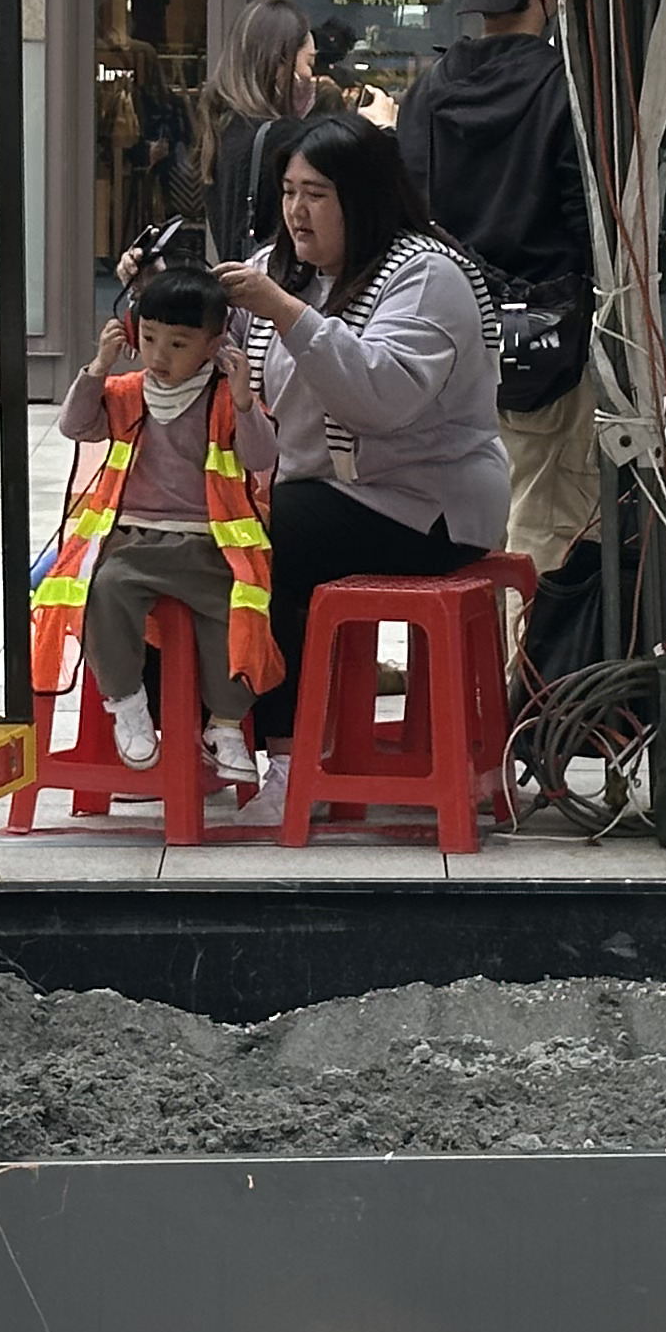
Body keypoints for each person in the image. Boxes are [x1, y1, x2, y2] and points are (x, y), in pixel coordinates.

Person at [212, 113, 505, 818]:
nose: (296, 211)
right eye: (289, 192)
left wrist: (288, 314)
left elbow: (380, 399)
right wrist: (164, 297)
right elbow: (217, 344)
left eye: (316, 194)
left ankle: (292, 762)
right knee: (182, 536)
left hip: (428, 507)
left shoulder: (426, 274)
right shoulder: (281, 269)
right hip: (320, 490)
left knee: (272, 543)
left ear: (364, 196)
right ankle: (198, 732)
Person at [32, 248, 282, 793]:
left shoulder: (225, 397)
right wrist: (98, 368)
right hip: (133, 541)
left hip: (209, 546)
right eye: (148, 338)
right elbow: (76, 426)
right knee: (106, 589)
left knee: (238, 611)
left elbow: (262, 458)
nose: (159, 355)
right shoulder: (125, 392)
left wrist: (245, 403)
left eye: (178, 344)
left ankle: (225, 725)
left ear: (214, 345)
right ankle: (126, 702)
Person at [399, 0, 600, 572]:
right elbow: (585, 222)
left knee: (459, 519)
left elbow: (410, 215)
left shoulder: (427, 93)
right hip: (543, 343)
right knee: (542, 520)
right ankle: (519, 646)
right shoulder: (565, 89)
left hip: (445, 339)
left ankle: (464, 639)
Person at [202, 0, 325, 261]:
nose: (311, 77)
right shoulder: (281, 137)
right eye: (310, 63)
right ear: (281, 62)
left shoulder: (222, 129)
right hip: (277, 281)